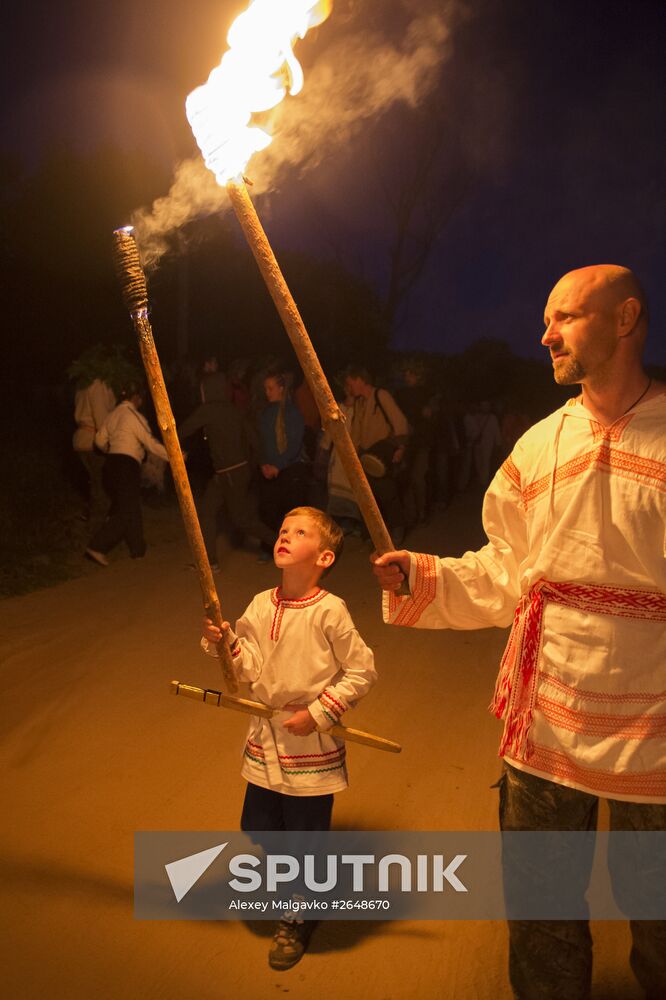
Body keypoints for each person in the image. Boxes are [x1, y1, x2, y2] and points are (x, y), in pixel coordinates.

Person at [372, 265, 666, 1000]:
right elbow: (509, 572)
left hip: (658, 735)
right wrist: (424, 577)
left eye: (565, 316)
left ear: (625, 319)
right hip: (546, 730)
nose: (546, 334)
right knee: (541, 917)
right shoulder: (536, 447)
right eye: (547, 319)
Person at [201, 506, 377, 970]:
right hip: (266, 739)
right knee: (257, 825)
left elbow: (362, 670)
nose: (284, 536)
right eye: (282, 529)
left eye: (299, 533)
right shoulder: (261, 604)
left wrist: (320, 712)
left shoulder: (330, 610)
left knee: (304, 835)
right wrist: (227, 645)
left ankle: (299, 906)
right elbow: (248, 668)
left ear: (323, 558)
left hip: (310, 745)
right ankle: (298, 876)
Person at [178, 371, 275, 569]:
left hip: (231, 474)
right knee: (207, 512)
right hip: (229, 473)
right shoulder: (234, 409)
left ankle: (285, 545)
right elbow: (254, 438)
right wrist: (262, 461)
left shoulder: (208, 409)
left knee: (243, 521)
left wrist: (173, 441)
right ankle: (209, 561)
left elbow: (183, 430)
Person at [85, 382, 169, 565]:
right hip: (126, 465)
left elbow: (99, 440)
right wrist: (174, 455)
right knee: (127, 511)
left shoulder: (112, 415)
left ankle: (138, 550)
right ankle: (98, 546)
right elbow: (150, 442)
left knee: (130, 506)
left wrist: (112, 449)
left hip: (111, 465)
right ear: (136, 398)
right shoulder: (133, 416)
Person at [327, 366, 409, 542]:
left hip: (382, 454)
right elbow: (356, 430)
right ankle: (378, 534)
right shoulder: (360, 402)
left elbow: (400, 423)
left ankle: (397, 529)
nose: (349, 388)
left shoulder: (381, 396)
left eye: (350, 383)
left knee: (388, 493)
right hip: (366, 456)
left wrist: (400, 448)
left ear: (359, 380)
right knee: (371, 497)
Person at [257, 371, 309, 551]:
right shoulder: (266, 413)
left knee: (291, 514)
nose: (267, 392)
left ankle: (294, 550)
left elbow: (294, 444)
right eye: (265, 388)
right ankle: (270, 548)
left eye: (270, 388)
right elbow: (261, 441)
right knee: (268, 511)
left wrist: (278, 465)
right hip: (269, 469)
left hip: (290, 470)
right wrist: (264, 463)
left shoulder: (292, 413)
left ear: (281, 388)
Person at [72, 376, 116, 522]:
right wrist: (109, 447)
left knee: (95, 484)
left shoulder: (83, 382)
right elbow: (101, 419)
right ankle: (100, 532)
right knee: (101, 487)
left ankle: (94, 522)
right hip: (93, 442)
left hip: (82, 441)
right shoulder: (98, 384)